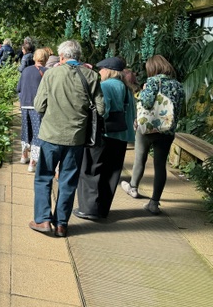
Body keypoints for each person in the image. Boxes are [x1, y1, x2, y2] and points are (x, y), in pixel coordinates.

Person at [29, 40, 104, 237]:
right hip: (76, 139)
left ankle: (43, 220)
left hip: (50, 136)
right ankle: (61, 224)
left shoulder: (51, 74)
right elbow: (102, 108)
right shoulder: (92, 76)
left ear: (61, 57)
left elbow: (39, 106)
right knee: (68, 181)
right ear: (79, 57)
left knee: (43, 177)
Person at [73, 57, 136, 220]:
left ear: (109, 70)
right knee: (111, 173)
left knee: (91, 170)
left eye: (101, 69)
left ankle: (88, 209)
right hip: (122, 137)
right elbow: (132, 115)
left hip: (104, 135)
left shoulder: (106, 86)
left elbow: (103, 110)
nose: (99, 72)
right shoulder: (127, 89)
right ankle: (102, 210)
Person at [121, 55, 184, 214]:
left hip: (148, 128)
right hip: (167, 130)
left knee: (140, 158)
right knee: (160, 165)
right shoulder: (178, 86)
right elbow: (180, 110)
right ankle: (154, 203)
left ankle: (133, 187)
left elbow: (147, 102)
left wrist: (142, 91)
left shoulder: (153, 82)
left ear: (153, 68)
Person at [16, 48, 50, 172]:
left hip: (24, 104)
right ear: (46, 59)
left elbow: (18, 88)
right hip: (38, 106)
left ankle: (23, 156)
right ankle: (33, 162)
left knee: (25, 131)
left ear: (34, 58)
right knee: (37, 133)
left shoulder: (25, 70)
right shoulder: (47, 72)